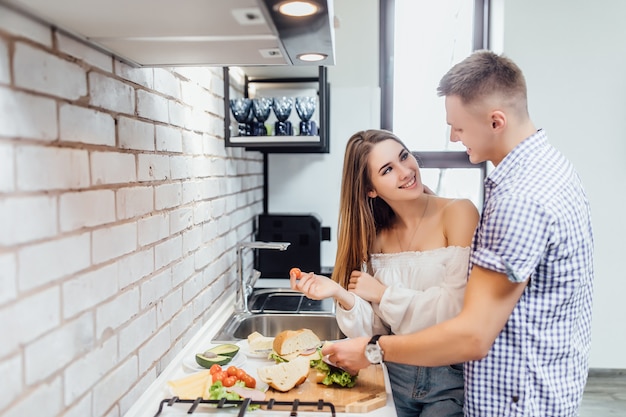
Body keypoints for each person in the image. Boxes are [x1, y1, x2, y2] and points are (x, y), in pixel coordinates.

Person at [319, 50, 595, 417]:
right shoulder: (549, 171)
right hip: (538, 389)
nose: (452, 137)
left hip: (518, 401)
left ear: (496, 121)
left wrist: (372, 348)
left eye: (460, 127)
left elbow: (472, 334)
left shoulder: (519, 200)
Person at [290, 129, 480, 417]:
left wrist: (383, 293)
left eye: (404, 157)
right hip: (390, 377)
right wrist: (339, 293)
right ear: (371, 189)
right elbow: (378, 330)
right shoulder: (376, 238)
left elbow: (454, 311)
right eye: (388, 169)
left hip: (449, 379)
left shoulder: (459, 213)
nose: (406, 172)